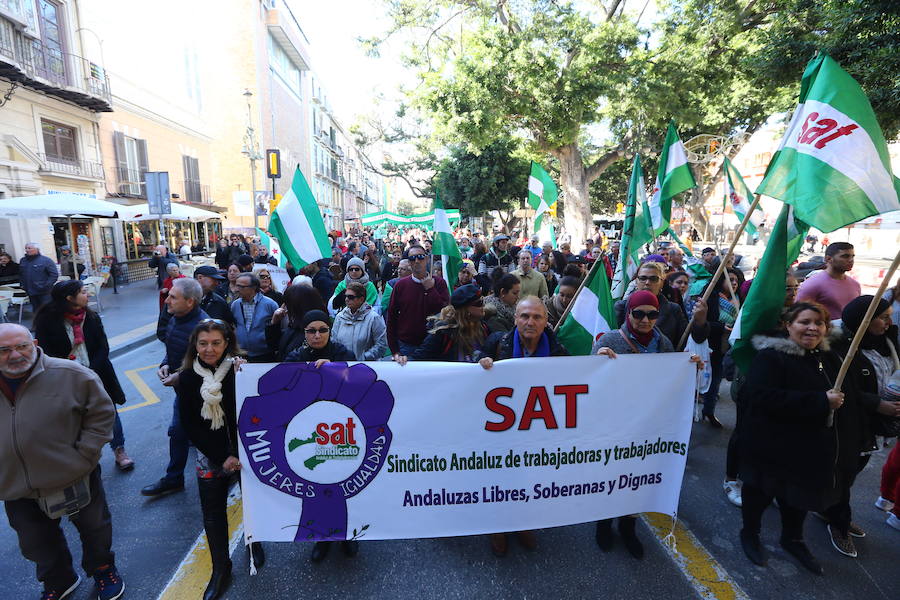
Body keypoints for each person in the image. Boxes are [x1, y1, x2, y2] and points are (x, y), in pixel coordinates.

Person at [0, 323, 124, 600]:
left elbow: (103, 414)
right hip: (15, 483)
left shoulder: (71, 374)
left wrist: (84, 456)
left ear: (34, 342)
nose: (15, 355)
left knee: (95, 529)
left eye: (22, 346)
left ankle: (103, 570)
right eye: (4, 350)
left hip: (73, 474)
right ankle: (59, 580)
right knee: (35, 542)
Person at [738, 302, 847, 574]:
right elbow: (759, 397)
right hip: (770, 444)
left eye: (819, 323)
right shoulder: (771, 358)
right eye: (804, 322)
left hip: (808, 446)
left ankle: (793, 539)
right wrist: (820, 401)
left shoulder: (828, 358)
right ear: (788, 326)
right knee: (760, 493)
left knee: (797, 497)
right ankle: (750, 534)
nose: (812, 328)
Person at [591, 290, 701, 558]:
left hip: (647, 426)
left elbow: (670, 380)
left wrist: (688, 367)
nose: (645, 320)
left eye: (652, 314)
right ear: (628, 313)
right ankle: (603, 524)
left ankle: (629, 526)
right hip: (614, 425)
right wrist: (597, 359)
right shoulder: (610, 340)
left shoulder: (662, 343)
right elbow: (589, 379)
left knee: (635, 480)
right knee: (610, 475)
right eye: (638, 313)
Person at [177, 320, 263, 599]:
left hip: (246, 451)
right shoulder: (188, 377)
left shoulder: (242, 370)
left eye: (216, 343)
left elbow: (256, 410)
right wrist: (221, 456)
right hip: (210, 455)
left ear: (227, 343)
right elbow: (189, 424)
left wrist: (246, 374)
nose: (209, 349)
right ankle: (220, 569)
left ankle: (254, 543)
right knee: (213, 514)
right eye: (203, 343)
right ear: (195, 345)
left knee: (252, 501)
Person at [478, 297, 568, 556]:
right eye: (525, 316)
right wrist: (481, 362)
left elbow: (582, 376)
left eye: (537, 317)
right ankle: (497, 528)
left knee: (529, 479)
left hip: (536, 429)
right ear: (515, 318)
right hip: (500, 429)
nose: (530, 322)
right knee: (498, 478)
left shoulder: (557, 349)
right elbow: (472, 371)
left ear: (546, 321)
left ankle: (523, 524)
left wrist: (605, 361)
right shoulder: (498, 342)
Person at [824, 296, 900, 556]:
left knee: (851, 473)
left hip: (876, 425)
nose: (889, 322)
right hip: (851, 424)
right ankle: (838, 523)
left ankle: (828, 509)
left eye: (890, 315)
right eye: (883, 317)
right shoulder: (840, 348)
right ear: (863, 321)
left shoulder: (889, 342)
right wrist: (876, 404)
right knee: (843, 474)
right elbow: (842, 387)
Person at [33, 280, 134, 472]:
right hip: (64, 376)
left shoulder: (91, 317)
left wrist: (91, 371)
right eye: (82, 292)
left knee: (108, 410)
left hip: (97, 373)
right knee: (74, 416)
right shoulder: (47, 319)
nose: (87, 295)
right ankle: (84, 456)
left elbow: (103, 347)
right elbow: (44, 351)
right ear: (69, 298)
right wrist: (69, 369)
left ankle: (119, 450)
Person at [284, 310, 356, 564]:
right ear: (304, 333)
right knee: (318, 486)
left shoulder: (342, 353)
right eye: (311, 331)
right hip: (309, 433)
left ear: (330, 330)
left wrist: (334, 370)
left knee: (344, 485)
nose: (317, 335)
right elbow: (282, 383)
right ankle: (322, 538)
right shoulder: (295, 356)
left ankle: (348, 536)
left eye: (322, 330)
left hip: (341, 431)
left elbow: (357, 380)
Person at [142, 278, 209, 498]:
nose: (167, 300)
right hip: (184, 392)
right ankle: (174, 478)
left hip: (205, 396)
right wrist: (166, 364)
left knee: (206, 436)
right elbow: (174, 347)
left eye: (173, 297)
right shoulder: (174, 318)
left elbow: (208, 364)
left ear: (190, 302)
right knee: (178, 433)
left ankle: (221, 478)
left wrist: (180, 377)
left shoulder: (204, 327)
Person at [687, 269, 741, 428]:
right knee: (695, 382)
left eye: (736, 280)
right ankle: (687, 413)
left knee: (715, 382)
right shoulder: (710, 297)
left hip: (723, 348)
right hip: (706, 346)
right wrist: (721, 327)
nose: (734, 283)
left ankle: (709, 412)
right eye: (730, 280)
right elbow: (701, 322)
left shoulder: (737, 299)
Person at [614, 261, 709, 349]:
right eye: (643, 278)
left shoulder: (673, 309)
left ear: (662, 283)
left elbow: (693, 339)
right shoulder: (621, 307)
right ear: (637, 281)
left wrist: (700, 322)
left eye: (653, 279)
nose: (647, 283)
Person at [386, 244, 450, 358]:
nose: (416, 261)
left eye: (420, 257)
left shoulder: (439, 283)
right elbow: (391, 317)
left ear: (426, 259)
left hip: (434, 345)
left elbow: (445, 312)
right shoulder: (400, 285)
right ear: (409, 263)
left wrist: (431, 289)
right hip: (407, 346)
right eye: (412, 258)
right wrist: (395, 350)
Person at [407, 284, 488, 362]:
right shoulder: (443, 334)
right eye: (479, 303)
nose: (483, 306)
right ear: (465, 310)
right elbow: (417, 359)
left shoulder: (484, 327)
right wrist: (402, 361)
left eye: (483, 301)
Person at [796, 242, 860, 319]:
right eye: (845, 256)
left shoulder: (855, 284)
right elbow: (798, 313)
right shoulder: (812, 284)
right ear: (828, 259)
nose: (850, 260)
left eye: (852, 256)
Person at [266, 283, 327, 360]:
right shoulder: (294, 326)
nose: (284, 307)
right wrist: (274, 323)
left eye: (287, 303)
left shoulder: (314, 331)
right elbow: (275, 346)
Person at [331, 281, 388, 361]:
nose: (347, 299)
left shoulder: (374, 318)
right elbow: (333, 341)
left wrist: (363, 358)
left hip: (366, 367)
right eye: (346, 296)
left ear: (361, 299)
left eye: (351, 297)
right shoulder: (339, 317)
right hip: (343, 366)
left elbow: (381, 345)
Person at [230, 273, 278, 362]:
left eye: (241, 287)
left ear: (253, 287)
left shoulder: (270, 304)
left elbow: (278, 327)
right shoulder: (235, 305)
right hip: (242, 354)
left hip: (265, 354)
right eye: (237, 285)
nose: (237, 289)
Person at [19, 242, 59, 311]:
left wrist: (46, 285)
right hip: (30, 291)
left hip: (44, 292)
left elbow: (54, 275)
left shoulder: (46, 260)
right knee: (36, 311)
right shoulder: (23, 260)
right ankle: (38, 321)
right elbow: (21, 274)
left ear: (37, 249)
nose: (27, 250)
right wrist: (22, 285)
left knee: (47, 310)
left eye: (29, 248)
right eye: (26, 248)